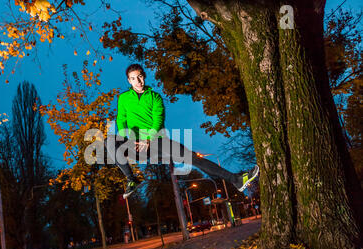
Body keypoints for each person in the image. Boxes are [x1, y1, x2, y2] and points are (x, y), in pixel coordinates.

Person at [104, 64, 259, 199]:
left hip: (157, 142)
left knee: (192, 157)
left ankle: (236, 180)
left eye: (139, 77)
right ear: (129, 81)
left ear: (144, 76)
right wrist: (129, 140)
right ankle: (131, 180)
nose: (137, 82)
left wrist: (148, 140)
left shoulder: (155, 98)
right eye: (133, 78)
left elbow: (157, 122)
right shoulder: (123, 98)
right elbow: (121, 120)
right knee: (109, 141)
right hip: (134, 145)